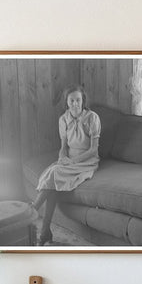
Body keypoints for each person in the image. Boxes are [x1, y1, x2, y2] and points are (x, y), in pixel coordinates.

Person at [31, 85, 101, 245]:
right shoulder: (63, 119)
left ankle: (34, 209)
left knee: (54, 173)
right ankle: (45, 231)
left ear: (83, 101)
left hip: (87, 161)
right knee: (52, 180)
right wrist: (62, 156)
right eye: (72, 100)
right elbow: (64, 146)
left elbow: (93, 150)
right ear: (67, 102)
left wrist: (73, 161)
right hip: (69, 159)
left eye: (78, 100)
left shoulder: (92, 118)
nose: (75, 104)